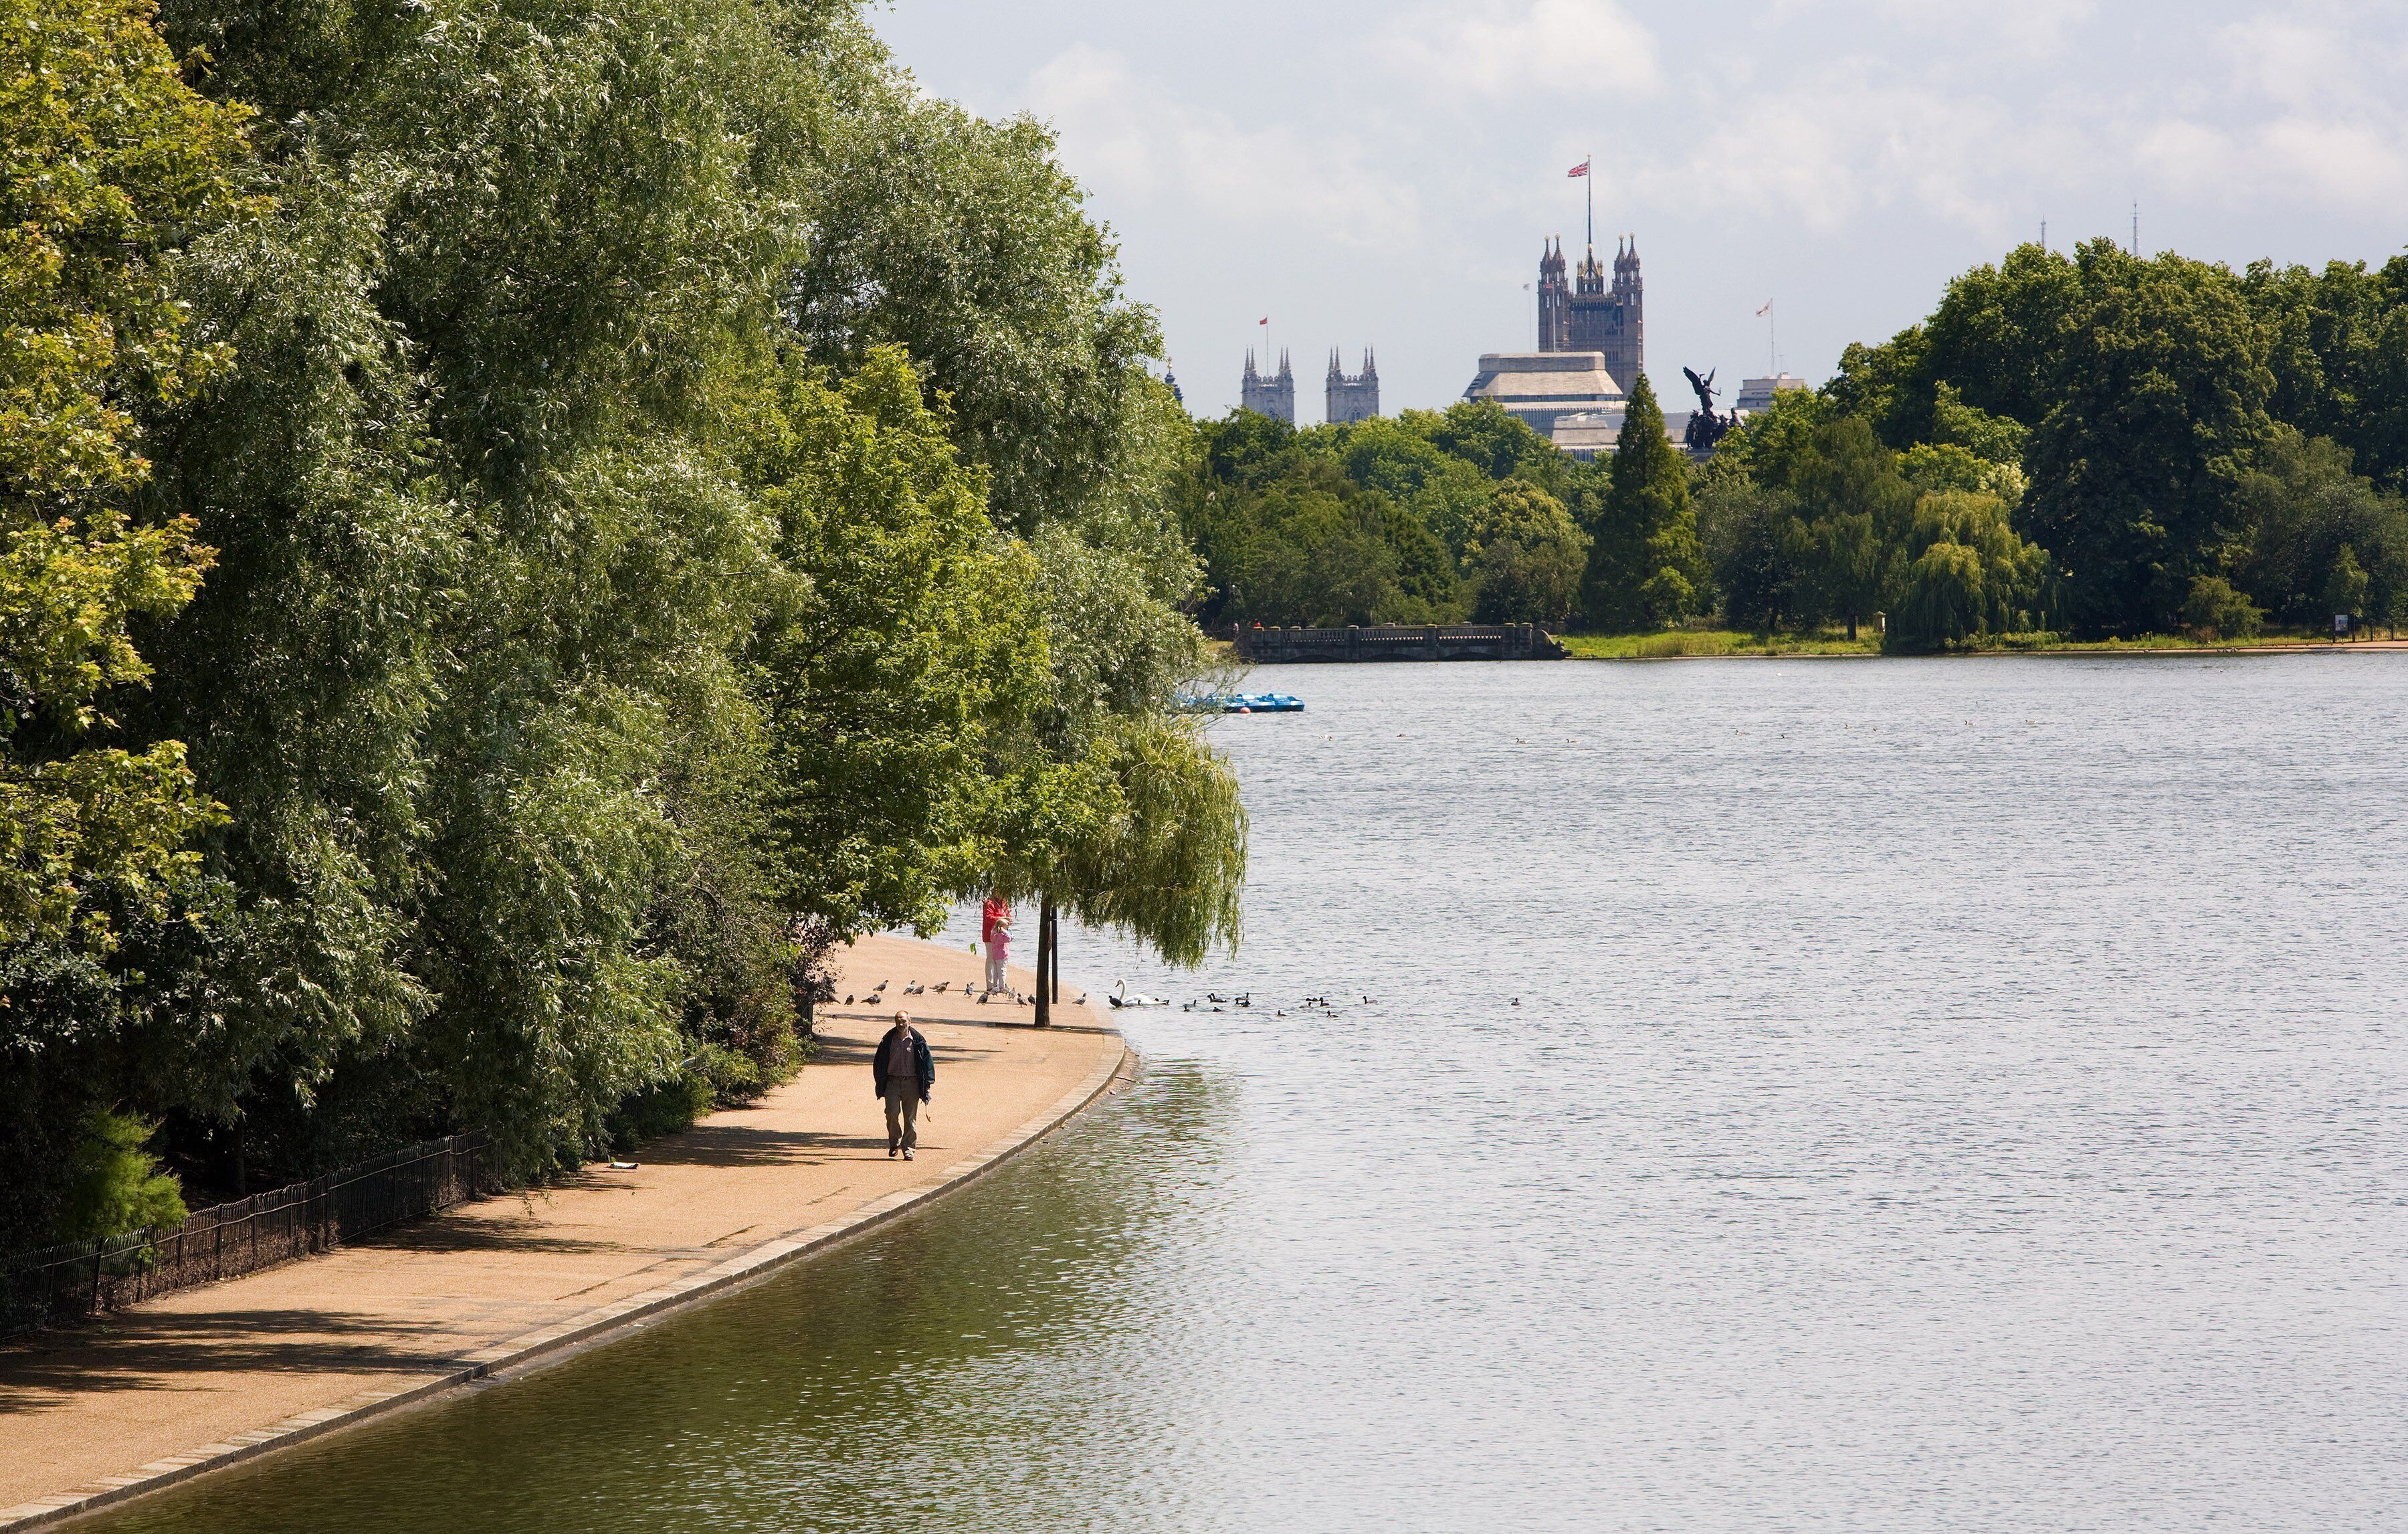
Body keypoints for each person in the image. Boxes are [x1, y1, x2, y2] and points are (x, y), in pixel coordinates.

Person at [872, 1012, 934, 1160]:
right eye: (898, 1021)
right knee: (891, 1114)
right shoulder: (888, 1040)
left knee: (910, 1118)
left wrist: (927, 1084)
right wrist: (880, 1082)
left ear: (909, 1021)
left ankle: (909, 1149)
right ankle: (895, 1142)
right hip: (892, 1082)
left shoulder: (918, 1041)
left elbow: (927, 1063)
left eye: (904, 1021)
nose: (901, 1024)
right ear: (895, 1022)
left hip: (912, 1083)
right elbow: (878, 1063)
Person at [982, 898, 1011, 997]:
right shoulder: (989, 903)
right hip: (991, 935)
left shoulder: (1004, 902)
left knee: (1002, 960)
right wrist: (1002, 919)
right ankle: (990, 985)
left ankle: (1001, 984)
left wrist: (1008, 920)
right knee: (991, 959)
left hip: (1002, 936)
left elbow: (1008, 915)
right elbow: (989, 918)